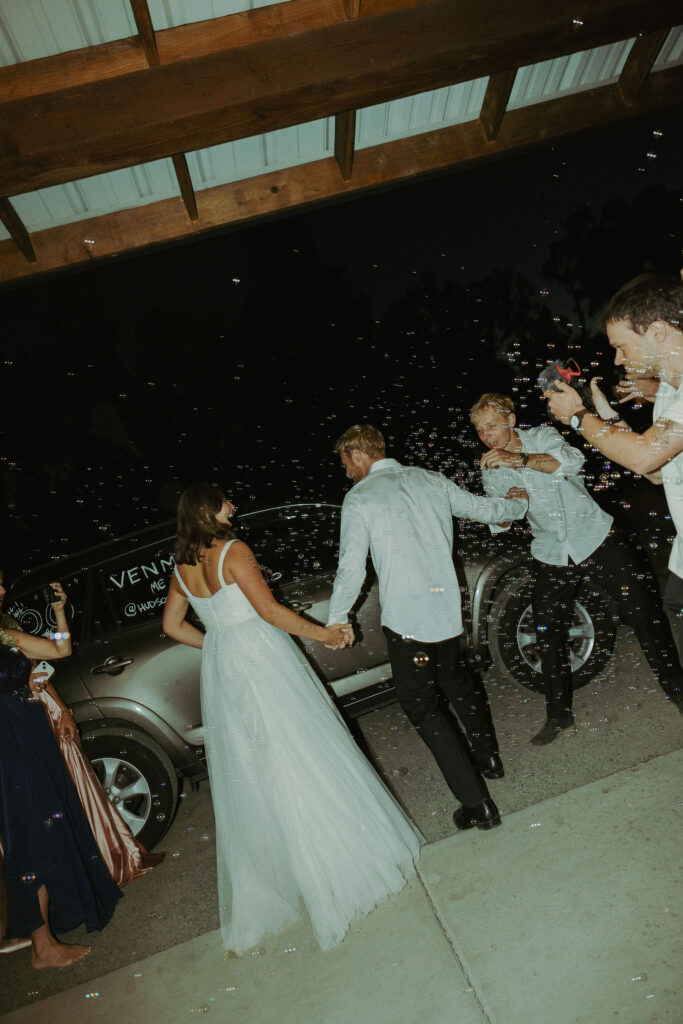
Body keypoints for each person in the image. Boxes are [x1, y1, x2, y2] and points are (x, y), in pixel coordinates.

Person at [162, 482, 421, 955]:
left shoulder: (181, 566)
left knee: (259, 765)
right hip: (260, 658)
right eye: (225, 501)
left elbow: (172, 626)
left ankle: (294, 872)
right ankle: (337, 867)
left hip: (225, 665)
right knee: (301, 750)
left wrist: (219, 643)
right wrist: (324, 633)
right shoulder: (234, 550)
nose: (232, 506)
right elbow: (269, 611)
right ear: (209, 510)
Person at [325, 424, 529, 832]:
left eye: (345, 462)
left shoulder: (361, 497)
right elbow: (485, 509)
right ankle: (488, 757)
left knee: (421, 707)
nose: (346, 471)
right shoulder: (429, 479)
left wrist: (337, 618)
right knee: (455, 679)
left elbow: (351, 566)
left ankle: (478, 805)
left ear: (359, 454)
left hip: (408, 622)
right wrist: (516, 505)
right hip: (446, 610)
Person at [470, 391, 683, 743]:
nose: (487, 436)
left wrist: (518, 459)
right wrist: (506, 505)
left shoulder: (540, 436)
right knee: (548, 633)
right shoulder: (491, 465)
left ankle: (677, 690)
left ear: (509, 420)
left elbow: (571, 461)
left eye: (492, 426)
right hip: (551, 550)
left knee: (643, 612)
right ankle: (559, 715)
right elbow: (506, 520)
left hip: (595, 535)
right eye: (480, 431)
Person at [545, 274, 683, 664]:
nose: (618, 359)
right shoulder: (671, 392)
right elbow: (656, 472)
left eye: (622, 346)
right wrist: (603, 412)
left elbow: (644, 456)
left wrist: (577, 418)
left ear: (657, 331)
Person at [0, 580, 122, 969]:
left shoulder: (4, 632)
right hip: (8, 743)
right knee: (27, 838)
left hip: (29, 734)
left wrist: (58, 613)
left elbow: (60, 649)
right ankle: (41, 945)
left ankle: (46, 936)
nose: (2, 590)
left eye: (3, 584)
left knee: (45, 830)